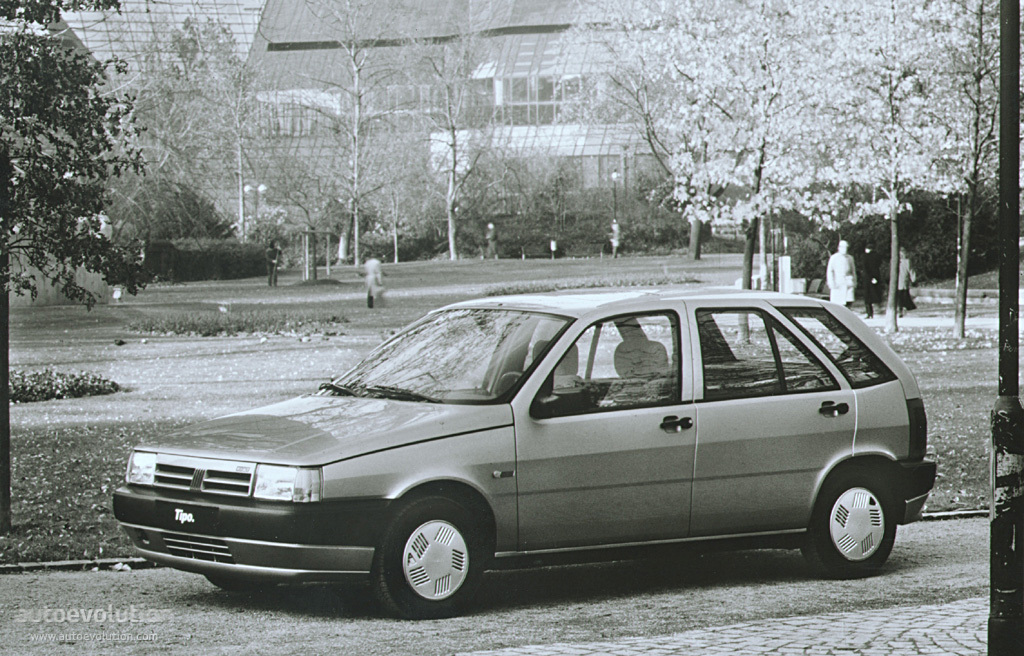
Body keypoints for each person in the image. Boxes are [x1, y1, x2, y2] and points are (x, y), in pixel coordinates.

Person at [826, 240, 856, 308]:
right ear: (839, 248)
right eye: (843, 247)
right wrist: (831, 283)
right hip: (837, 284)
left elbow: (853, 271)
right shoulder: (834, 257)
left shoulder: (850, 258)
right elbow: (829, 271)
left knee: (848, 302)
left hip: (848, 283)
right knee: (838, 305)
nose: (845, 249)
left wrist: (854, 282)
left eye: (846, 247)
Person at [861, 245, 883, 318]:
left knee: (867, 296)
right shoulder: (877, 256)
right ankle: (876, 311)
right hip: (876, 277)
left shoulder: (865, 257)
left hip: (868, 279)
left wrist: (870, 277)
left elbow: (865, 268)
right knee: (875, 294)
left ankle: (869, 313)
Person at [897, 247, 917, 316]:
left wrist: (913, 279)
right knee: (902, 295)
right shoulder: (904, 261)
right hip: (901, 280)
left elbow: (910, 270)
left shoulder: (905, 261)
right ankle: (902, 309)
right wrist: (913, 279)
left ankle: (901, 309)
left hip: (902, 280)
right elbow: (911, 270)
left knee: (902, 295)